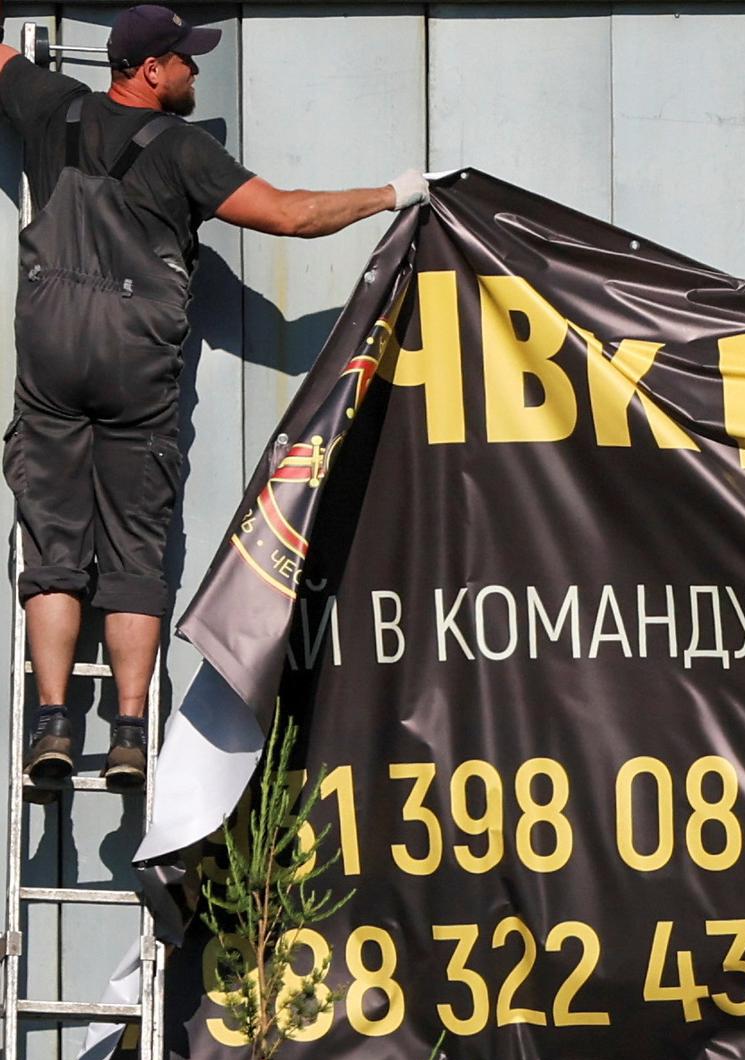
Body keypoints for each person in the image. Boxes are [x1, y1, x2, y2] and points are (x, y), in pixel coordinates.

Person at [0, 4, 428, 787]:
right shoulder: (183, 152)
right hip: (134, 375)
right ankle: (130, 732)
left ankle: (52, 723)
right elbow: (294, 216)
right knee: (134, 555)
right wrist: (392, 195)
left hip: (52, 363)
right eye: (187, 59)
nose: (198, 71)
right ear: (152, 71)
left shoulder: (45, 103)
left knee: (53, 553)